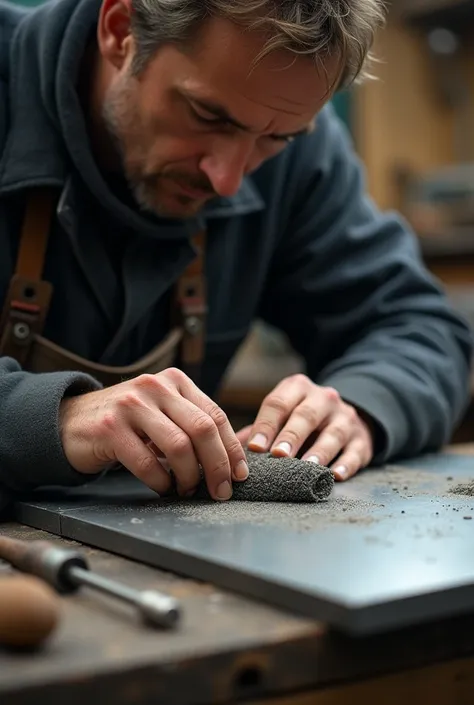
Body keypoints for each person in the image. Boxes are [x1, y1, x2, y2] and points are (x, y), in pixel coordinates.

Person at [0, 0, 471, 511]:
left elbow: (417, 326)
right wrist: (54, 418)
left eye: (275, 139)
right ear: (120, 30)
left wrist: (365, 403)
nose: (227, 180)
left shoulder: (293, 141)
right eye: (207, 115)